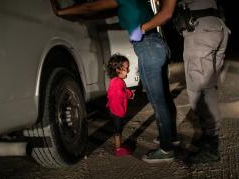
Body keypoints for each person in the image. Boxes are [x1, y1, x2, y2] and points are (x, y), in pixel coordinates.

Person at [56, 0, 178, 163]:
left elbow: (90, 6)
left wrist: (60, 12)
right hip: (155, 43)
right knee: (164, 97)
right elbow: (100, 12)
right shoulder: (129, 3)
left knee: (157, 100)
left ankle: (166, 148)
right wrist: (84, 16)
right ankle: (172, 136)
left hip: (147, 45)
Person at [173, 0, 230, 163]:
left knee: (198, 91)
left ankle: (211, 146)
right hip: (218, 25)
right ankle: (209, 137)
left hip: (200, 27)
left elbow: (167, 8)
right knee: (208, 87)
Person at [106, 54, 135, 157]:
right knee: (118, 130)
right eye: (126, 68)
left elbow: (112, 94)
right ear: (118, 69)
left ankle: (118, 146)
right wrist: (130, 94)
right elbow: (120, 93)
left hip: (113, 110)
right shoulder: (118, 82)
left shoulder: (115, 81)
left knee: (117, 130)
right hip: (117, 111)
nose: (128, 70)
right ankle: (118, 149)